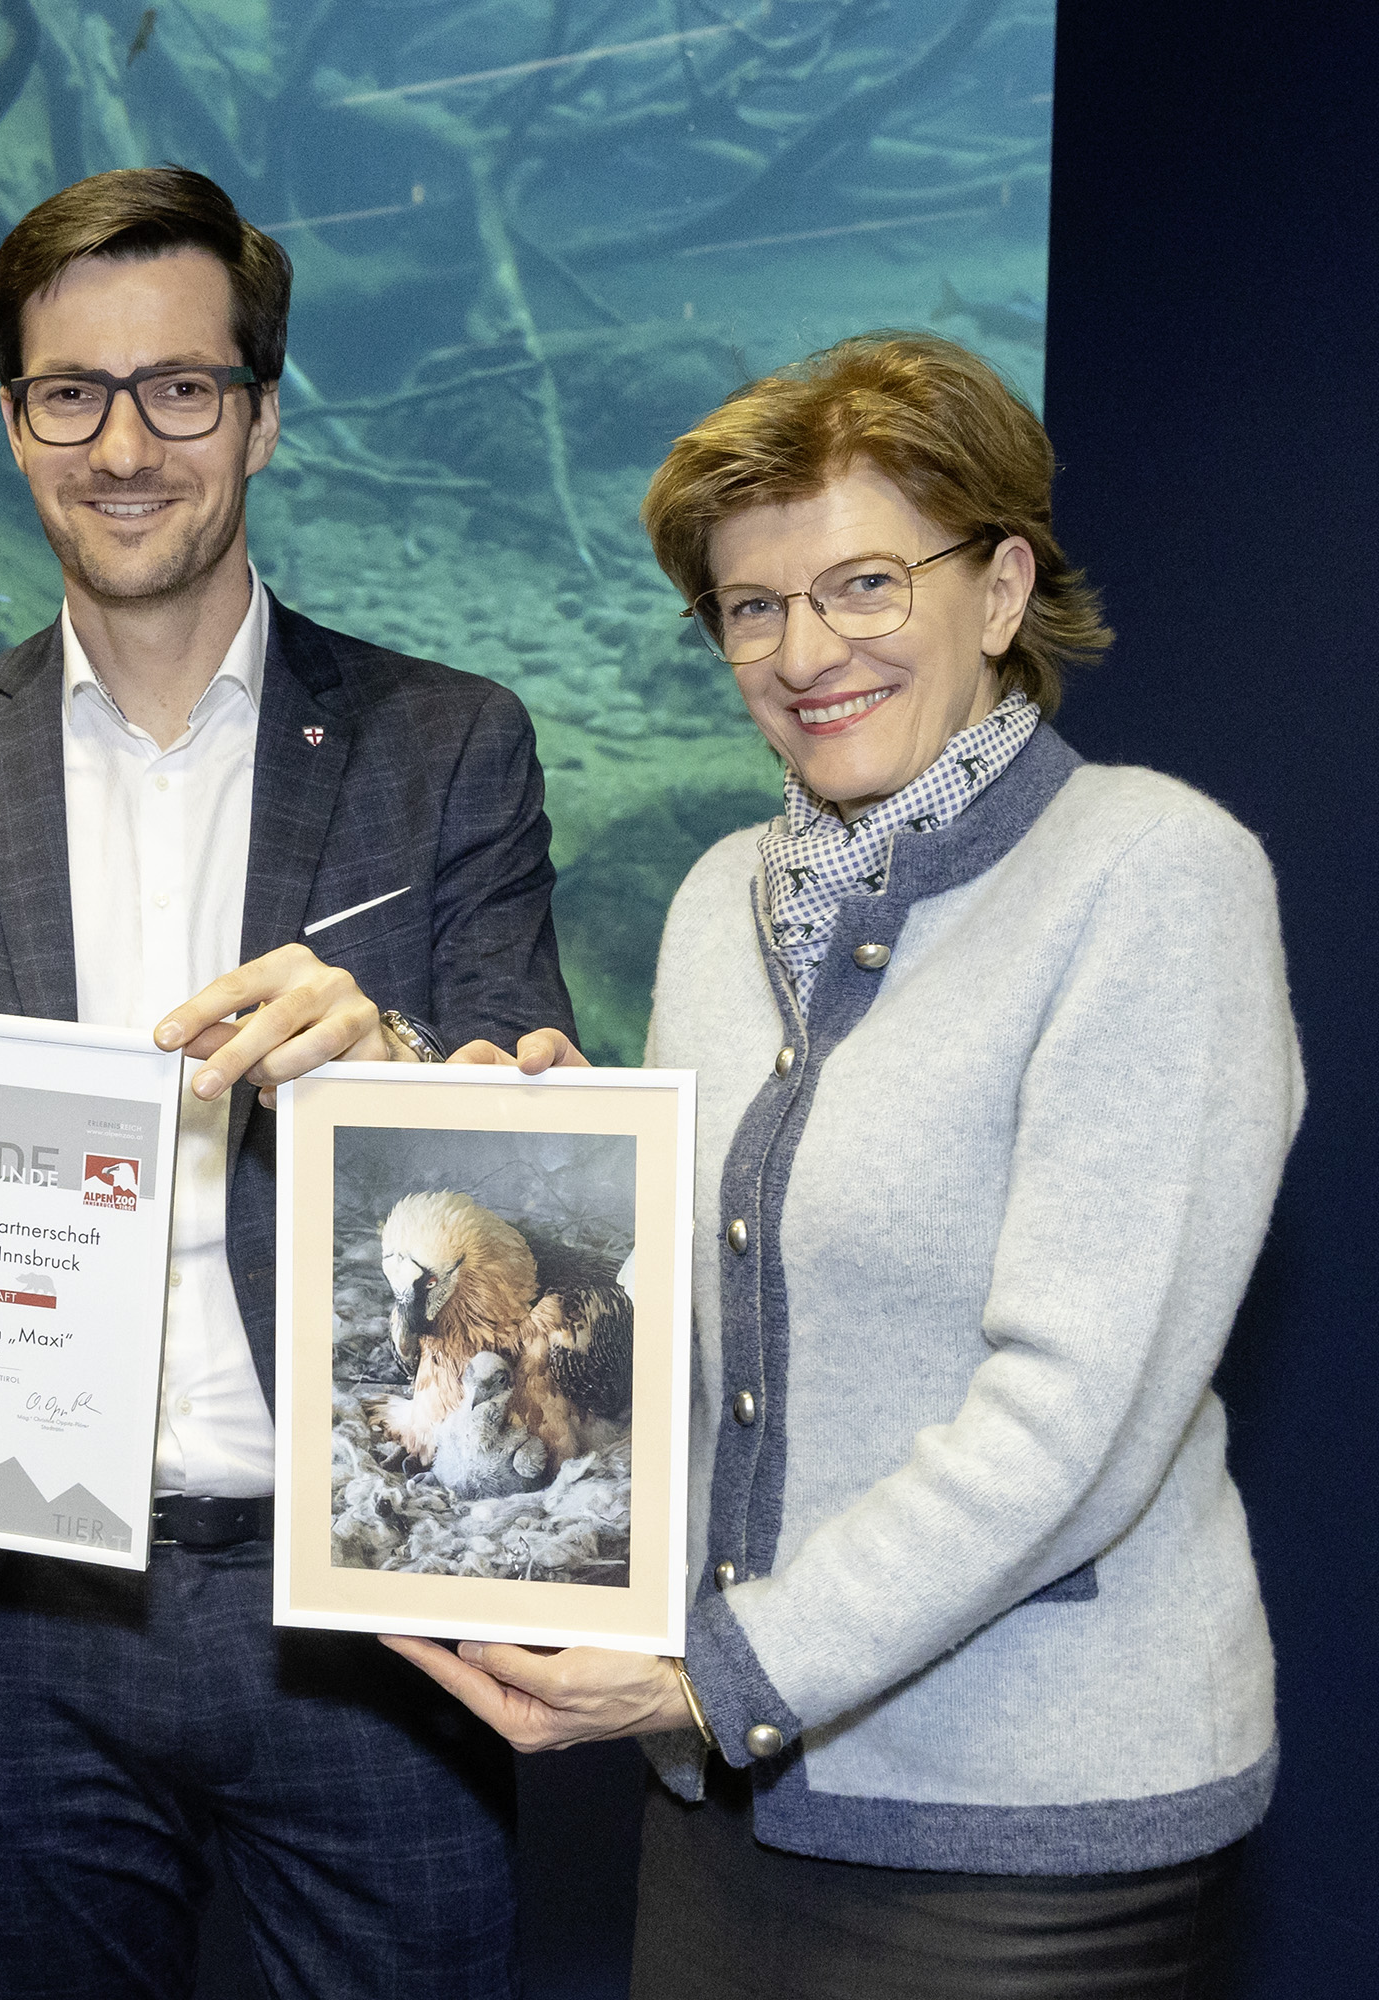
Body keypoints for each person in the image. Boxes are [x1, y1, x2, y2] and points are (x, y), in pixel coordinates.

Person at [388, 333, 1298, 1998]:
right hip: (726, 1802)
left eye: (866, 584)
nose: (806, 652)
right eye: (753, 606)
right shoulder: (717, 900)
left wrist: (716, 1675)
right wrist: (534, 1170)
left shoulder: (1155, 879)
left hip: (1027, 1833)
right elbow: (696, 1311)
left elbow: (1079, 1419)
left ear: (1002, 589)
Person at [0, 166, 582, 2000]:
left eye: (180, 389)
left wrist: (392, 1063)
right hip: (17, 1618)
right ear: (15, 425)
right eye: (72, 393)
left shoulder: (449, 743)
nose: (126, 445)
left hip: (370, 1604)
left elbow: (538, 1169)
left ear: (263, 413)